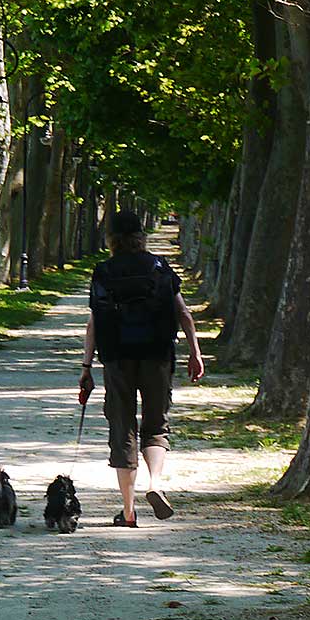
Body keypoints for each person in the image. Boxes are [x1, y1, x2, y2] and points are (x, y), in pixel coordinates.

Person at [78, 211, 205, 527]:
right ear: (141, 236)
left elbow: (94, 321)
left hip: (117, 358)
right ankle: (155, 484)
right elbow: (184, 314)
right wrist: (195, 352)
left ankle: (128, 511)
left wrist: (86, 366)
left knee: (122, 427)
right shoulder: (159, 266)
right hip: (157, 355)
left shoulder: (104, 271)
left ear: (111, 238)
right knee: (156, 424)